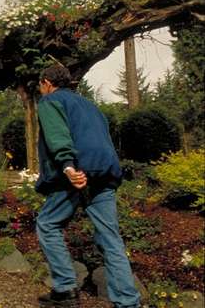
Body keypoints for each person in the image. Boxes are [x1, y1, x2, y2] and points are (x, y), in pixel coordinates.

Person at [35, 65, 140, 308]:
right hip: (104, 173)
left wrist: (69, 167)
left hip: (76, 173)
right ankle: (127, 302)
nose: (40, 91)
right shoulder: (90, 106)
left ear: (47, 82)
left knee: (48, 224)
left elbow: (57, 136)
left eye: (40, 86)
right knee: (111, 239)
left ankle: (65, 289)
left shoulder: (50, 101)